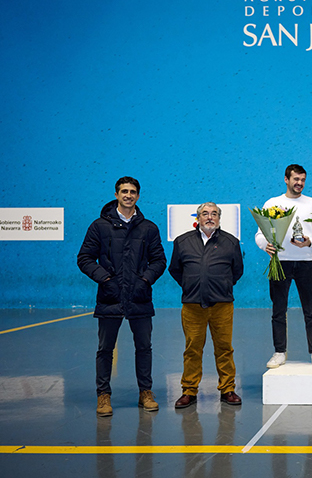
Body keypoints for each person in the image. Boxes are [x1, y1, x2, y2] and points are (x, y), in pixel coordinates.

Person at [77, 176, 167, 417]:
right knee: (105, 349)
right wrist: (106, 280)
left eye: (133, 191)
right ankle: (103, 396)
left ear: (138, 196)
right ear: (116, 195)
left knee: (144, 347)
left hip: (139, 296)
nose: (128, 195)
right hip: (110, 296)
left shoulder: (149, 228)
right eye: (124, 191)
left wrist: (144, 280)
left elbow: (159, 260)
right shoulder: (99, 226)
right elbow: (84, 258)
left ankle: (145, 392)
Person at [169, 202, 244, 408]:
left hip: (222, 305)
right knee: (192, 349)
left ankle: (227, 389)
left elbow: (237, 271)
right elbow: (175, 270)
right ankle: (189, 390)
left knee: (224, 348)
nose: (209, 217)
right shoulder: (182, 241)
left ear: (219, 218)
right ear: (198, 218)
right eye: (205, 214)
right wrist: (191, 285)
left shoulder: (231, 242)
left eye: (214, 214)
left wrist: (221, 286)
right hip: (192, 306)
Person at [256, 164, 312, 369]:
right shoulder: (272, 203)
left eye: (303, 180)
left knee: (311, 310)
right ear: (286, 179)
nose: (299, 183)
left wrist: (310, 242)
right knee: (278, 310)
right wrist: (266, 246)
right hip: (280, 263)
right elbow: (260, 234)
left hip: (306, 263)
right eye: (296, 179)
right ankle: (279, 352)